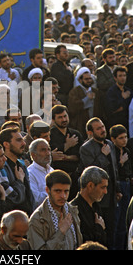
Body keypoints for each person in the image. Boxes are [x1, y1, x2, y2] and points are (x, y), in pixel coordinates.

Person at [79, 117, 120, 248]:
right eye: (98, 128)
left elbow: (114, 170)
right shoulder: (86, 148)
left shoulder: (110, 144)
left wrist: (117, 190)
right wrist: (103, 155)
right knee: (101, 234)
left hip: (112, 196)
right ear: (90, 132)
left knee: (114, 231)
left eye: (103, 127)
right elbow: (90, 172)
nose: (103, 130)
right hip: (98, 199)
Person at [27, 170, 83, 250]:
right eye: (58, 191)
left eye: (66, 191)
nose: (63, 196)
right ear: (47, 190)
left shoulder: (72, 211)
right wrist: (61, 232)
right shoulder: (37, 219)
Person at [0, 127, 34, 217]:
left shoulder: (21, 165)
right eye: (18, 140)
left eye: (23, 140)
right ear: (6, 144)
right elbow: (12, 198)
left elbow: (29, 195)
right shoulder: (1, 168)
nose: (24, 143)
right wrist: (19, 181)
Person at [70, 166, 108, 247]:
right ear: (90, 185)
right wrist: (99, 228)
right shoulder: (73, 210)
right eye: (102, 187)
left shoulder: (96, 207)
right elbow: (83, 243)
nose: (105, 192)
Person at [49, 105, 83, 194]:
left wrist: (67, 157)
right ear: (53, 119)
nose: (64, 119)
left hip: (76, 177)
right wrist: (67, 145)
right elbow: (54, 154)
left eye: (65, 116)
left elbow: (80, 155)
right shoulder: (50, 135)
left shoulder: (75, 134)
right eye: (60, 117)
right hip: (58, 179)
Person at [68, 68, 104, 138]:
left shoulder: (96, 91)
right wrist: (86, 99)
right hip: (80, 124)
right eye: (86, 79)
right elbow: (73, 108)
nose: (89, 81)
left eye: (90, 78)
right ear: (80, 80)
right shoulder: (74, 92)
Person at [27, 138, 54, 210]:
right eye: (43, 150)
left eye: (49, 149)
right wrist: (54, 192)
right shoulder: (30, 173)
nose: (48, 153)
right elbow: (36, 200)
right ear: (33, 155)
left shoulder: (51, 170)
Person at [105, 66, 133, 130]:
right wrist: (123, 98)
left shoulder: (128, 91)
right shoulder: (111, 91)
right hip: (116, 123)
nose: (123, 78)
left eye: (124, 75)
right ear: (115, 78)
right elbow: (113, 109)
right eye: (120, 76)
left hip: (128, 122)